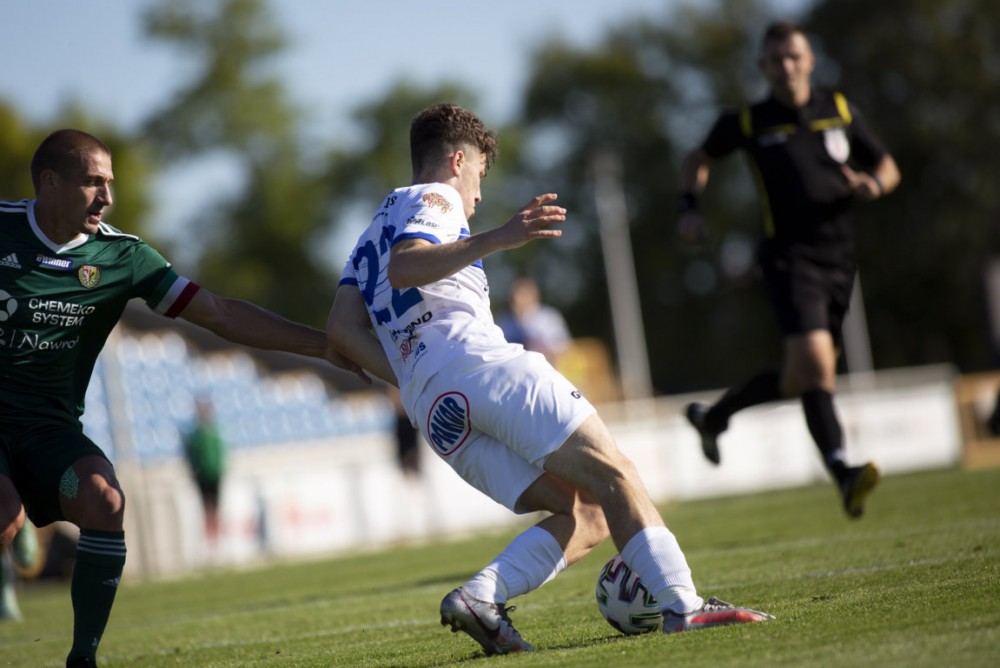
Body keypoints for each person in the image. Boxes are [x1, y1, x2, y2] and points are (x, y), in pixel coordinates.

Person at [327, 102, 773, 656]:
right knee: (614, 471)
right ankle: (683, 606)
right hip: (479, 366)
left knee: (586, 510)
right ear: (458, 160)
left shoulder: (367, 235)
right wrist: (498, 237)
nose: (478, 195)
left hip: (433, 407)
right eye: (480, 174)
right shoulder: (435, 197)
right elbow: (407, 265)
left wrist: (414, 372)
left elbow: (340, 329)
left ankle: (480, 598)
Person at [0, 129, 370, 668]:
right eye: (93, 182)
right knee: (5, 515)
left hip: (48, 432)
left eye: (109, 183)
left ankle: (83, 659)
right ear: (49, 182)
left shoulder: (122, 256)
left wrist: (323, 345)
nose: (106, 197)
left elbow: (218, 313)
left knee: (104, 500)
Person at [676, 21, 901, 518]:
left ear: (810, 60)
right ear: (763, 65)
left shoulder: (838, 110)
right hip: (787, 260)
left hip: (840, 260)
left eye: (794, 56)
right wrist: (689, 207)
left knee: (801, 378)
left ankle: (714, 417)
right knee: (818, 366)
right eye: (776, 58)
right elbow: (697, 157)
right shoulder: (750, 121)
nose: (786, 65)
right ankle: (843, 473)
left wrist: (874, 185)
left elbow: (888, 166)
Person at [497, 276, 571, 365]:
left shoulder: (548, 318)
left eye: (522, 294)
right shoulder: (504, 321)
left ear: (533, 295)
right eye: (513, 295)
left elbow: (562, 350)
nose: (516, 299)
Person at [183, 398, 227, 549]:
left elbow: (220, 455)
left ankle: (217, 541)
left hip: (214, 475)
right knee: (206, 509)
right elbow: (191, 456)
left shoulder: (215, 434)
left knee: (215, 508)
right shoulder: (196, 436)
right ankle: (210, 543)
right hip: (203, 477)